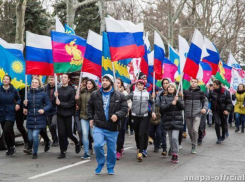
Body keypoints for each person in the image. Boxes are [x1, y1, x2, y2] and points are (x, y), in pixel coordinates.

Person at [87, 74, 128, 175]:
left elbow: (124, 109)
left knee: (111, 149)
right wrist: (91, 118)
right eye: (103, 80)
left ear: (111, 82)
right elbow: (89, 106)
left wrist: (117, 115)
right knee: (97, 145)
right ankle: (100, 163)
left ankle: (110, 166)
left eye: (106, 80)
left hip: (112, 127)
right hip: (99, 125)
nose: (104, 82)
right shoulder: (95, 94)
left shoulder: (119, 95)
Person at [126, 79, 156, 162]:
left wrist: (153, 111)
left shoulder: (147, 94)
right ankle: (139, 147)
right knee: (137, 134)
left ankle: (140, 152)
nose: (140, 86)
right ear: (136, 85)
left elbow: (153, 103)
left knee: (141, 133)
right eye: (138, 85)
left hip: (145, 116)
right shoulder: (133, 93)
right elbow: (124, 99)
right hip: (134, 116)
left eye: (141, 85)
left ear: (144, 86)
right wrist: (126, 107)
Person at [23, 77, 52, 159]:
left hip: (39, 118)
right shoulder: (27, 94)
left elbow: (49, 104)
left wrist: (43, 109)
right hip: (31, 118)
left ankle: (35, 152)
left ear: (39, 84)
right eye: (33, 82)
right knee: (30, 138)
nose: (34, 84)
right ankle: (46, 141)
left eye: (36, 82)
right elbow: (25, 107)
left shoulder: (43, 94)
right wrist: (24, 105)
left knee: (35, 136)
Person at [55, 74, 81, 159]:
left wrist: (61, 103)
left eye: (65, 77)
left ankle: (77, 142)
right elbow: (54, 103)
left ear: (68, 80)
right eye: (62, 77)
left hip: (69, 114)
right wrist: (55, 97)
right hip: (60, 114)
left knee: (69, 133)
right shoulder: (58, 89)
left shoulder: (71, 90)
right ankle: (62, 151)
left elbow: (71, 104)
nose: (63, 79)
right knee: (61, 133)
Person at [160, 83, 184, 163]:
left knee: (174, 137)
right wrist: (171, 104)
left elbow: (182, 107)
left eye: (172, 87)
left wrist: (178, 101)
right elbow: (162, 108)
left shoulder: (179, 97)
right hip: (168, 120)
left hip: (177, 120)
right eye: (169, 87)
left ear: (175, 88)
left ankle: (175, 153)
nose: (170, 88)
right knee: (170, 139)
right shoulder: (164, 97)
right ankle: (173, 152)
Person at [183, 78, 208, 154]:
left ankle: (194, 145)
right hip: (188, 114)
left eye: (195, 82)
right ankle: (193, 140)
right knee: (190, 132)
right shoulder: (185, 92)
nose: (193, 83)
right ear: (190, 82)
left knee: (195, 130)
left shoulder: (201, 92)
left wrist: (204, 108)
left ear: (197, 83)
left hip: (197, 114)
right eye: (192, 81)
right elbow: (182, 102)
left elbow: (205, 101)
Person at [76, 78, 98, 160]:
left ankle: (98, 150)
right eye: (87, 83)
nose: (88, 85)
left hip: (92, 117)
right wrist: (77, 99)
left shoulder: (96, 93)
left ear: (93, 85)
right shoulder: (82, 92)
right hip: (83, 116)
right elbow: (79, 105)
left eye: (90, 83)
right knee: (84, 135)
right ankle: (86, 152)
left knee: (93, 135)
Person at [0, 75, 21, 156]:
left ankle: (12, 146)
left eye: (7, 79)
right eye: (4, 79)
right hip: (2, 113)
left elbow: (18, 98)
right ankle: (9, 147)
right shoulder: (0, 89)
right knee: (6, 132)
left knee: (6, 129)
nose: (5, 80)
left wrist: (18, 104)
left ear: (9, 81)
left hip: (10, 112)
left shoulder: (13, 89)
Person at [209, 80, 232, 144]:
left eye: (214, 85)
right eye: (213, 84)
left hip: (223, 111)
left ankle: (223, 134)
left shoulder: (226, 92)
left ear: (218, 85)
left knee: (223, 124)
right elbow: (208, 99)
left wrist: (227, 110)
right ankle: (218, 137)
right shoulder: (212, 92)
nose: (213, 86)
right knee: (217, 123)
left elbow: (229, 103)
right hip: (216, 111)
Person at [115, 78, 132, 160]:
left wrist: (127, 108)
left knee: (120, 132)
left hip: (123, 116)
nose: (117, 84)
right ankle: (117, 148)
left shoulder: (124, 93)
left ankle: (119, 149)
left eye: (118, 83)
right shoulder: (111, 92)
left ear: (121, 85)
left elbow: (129, 103)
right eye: (115, 83)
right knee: (115, 133)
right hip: (113, 116)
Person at [156, 78, 170, 156]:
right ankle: (164, 148)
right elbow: (157, 104)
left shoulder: (172, 92)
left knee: (171, 134)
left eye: (167, 83)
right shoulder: (160, 93)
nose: (165, 85)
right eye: (164, 83)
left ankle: (173, 148)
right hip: (163, 115)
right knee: (163, 132)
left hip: (172, 115)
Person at [45, 76, 59, 146]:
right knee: (50, 126)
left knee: (54, 124)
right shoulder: (46, 88)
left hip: (55, 110)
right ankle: (54, 139)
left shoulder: (58, 88)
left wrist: (56, 96)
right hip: (48, 110)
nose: (50, 81)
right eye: (49, 80)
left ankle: (57, 138)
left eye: (52, 80)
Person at [149, 89, 161, 153]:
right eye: (155, 91)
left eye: (157, 91)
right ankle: (156, 142)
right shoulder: (148, 98)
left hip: (159, 119)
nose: (156, 92)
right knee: (151, 133)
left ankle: (157, 146)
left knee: (159, 133)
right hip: (150, 120)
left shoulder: (159, 99)